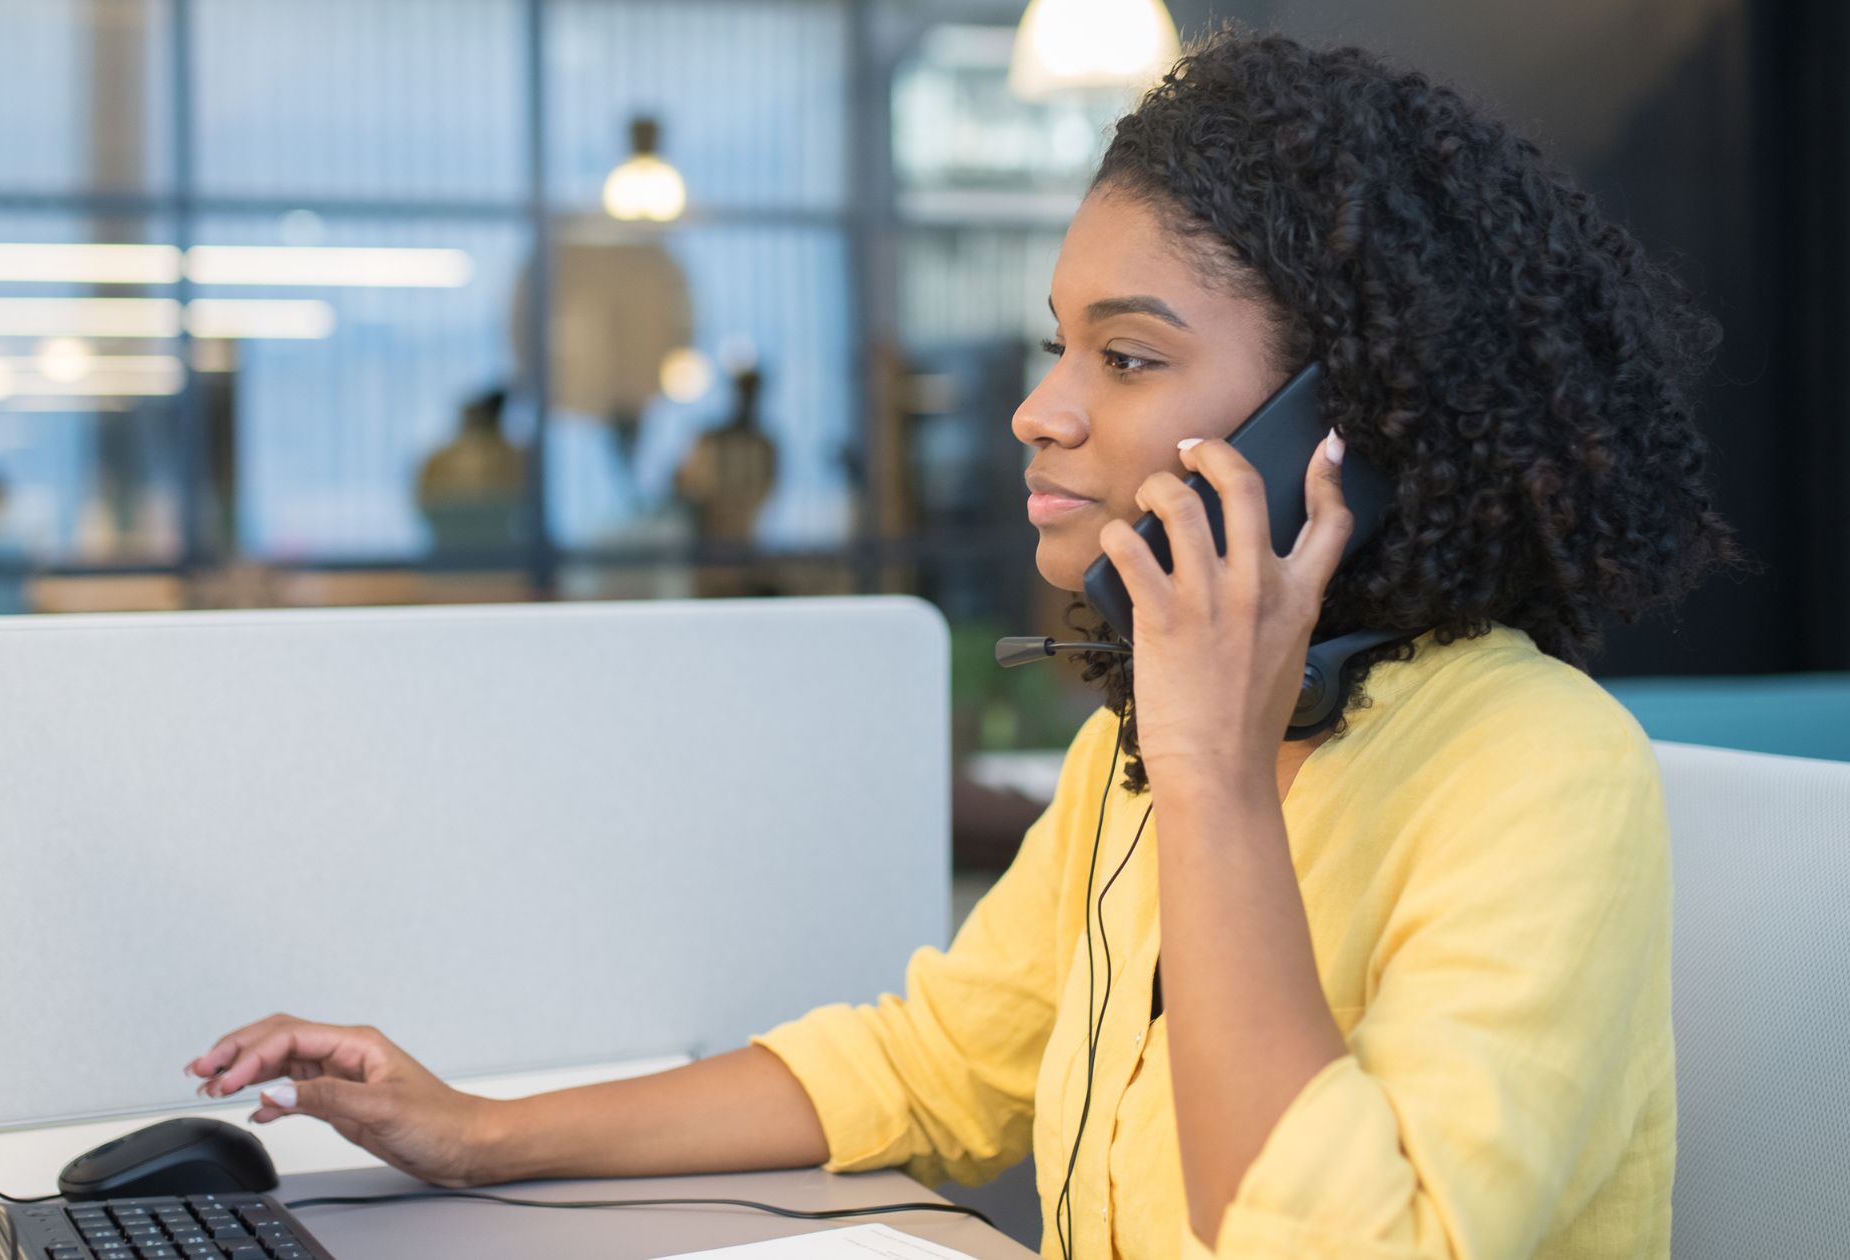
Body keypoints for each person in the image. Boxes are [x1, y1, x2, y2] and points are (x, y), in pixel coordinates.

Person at [185, 30, 1732, 1259]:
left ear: (1345, 432)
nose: (1042, 410)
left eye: (1125, 357)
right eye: (1053, 346)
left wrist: (1211, 777)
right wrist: (477, 1134)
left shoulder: (1535, 772)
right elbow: (932, 1067)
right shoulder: (1135, 764)